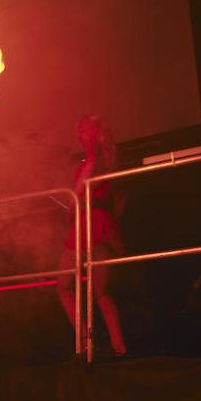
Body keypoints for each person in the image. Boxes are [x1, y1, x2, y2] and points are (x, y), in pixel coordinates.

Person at [57, 114, 128, 358]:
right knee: (101, 291)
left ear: (94, 132)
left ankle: (86, 341)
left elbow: (86, 177)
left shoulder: (94, 156)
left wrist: (72, 206)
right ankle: (118, 345)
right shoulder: (111, 159)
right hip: (103, 223)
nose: (80, 136)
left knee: (64, 285)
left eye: (84, 130)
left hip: (87, 221)